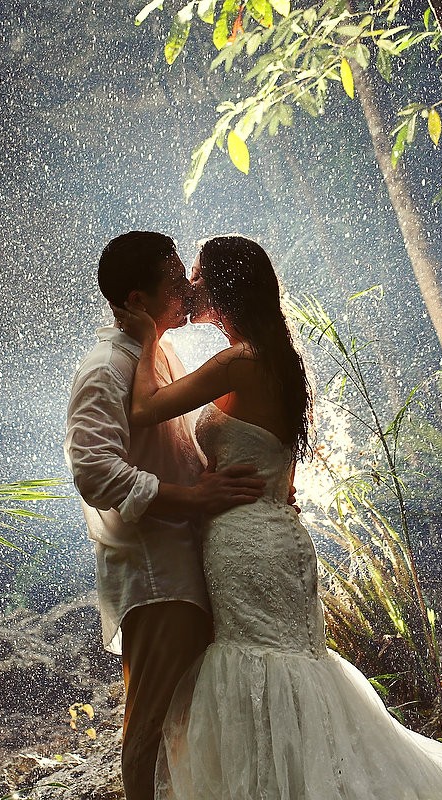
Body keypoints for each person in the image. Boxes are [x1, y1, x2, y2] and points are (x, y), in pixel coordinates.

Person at [114, 234, 442, 800]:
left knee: (263, 673)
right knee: (293, 673)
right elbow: (280, 470)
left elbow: (143, 409)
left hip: (247, 544)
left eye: (198, 275)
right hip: (276, 535)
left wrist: (145, 337)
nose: (189, 286)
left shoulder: (240, 361)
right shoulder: (279, 358)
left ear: (223, 287)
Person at [64, 231, 267, 800]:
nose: (187, 288)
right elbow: (95, 472)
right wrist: (195, 499)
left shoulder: (161, 356)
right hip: (155, 572)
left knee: (189, 718)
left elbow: (177, 448)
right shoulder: (106, 368)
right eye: (174, 279)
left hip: (188, 561)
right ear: (136, 300)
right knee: (151, 726)